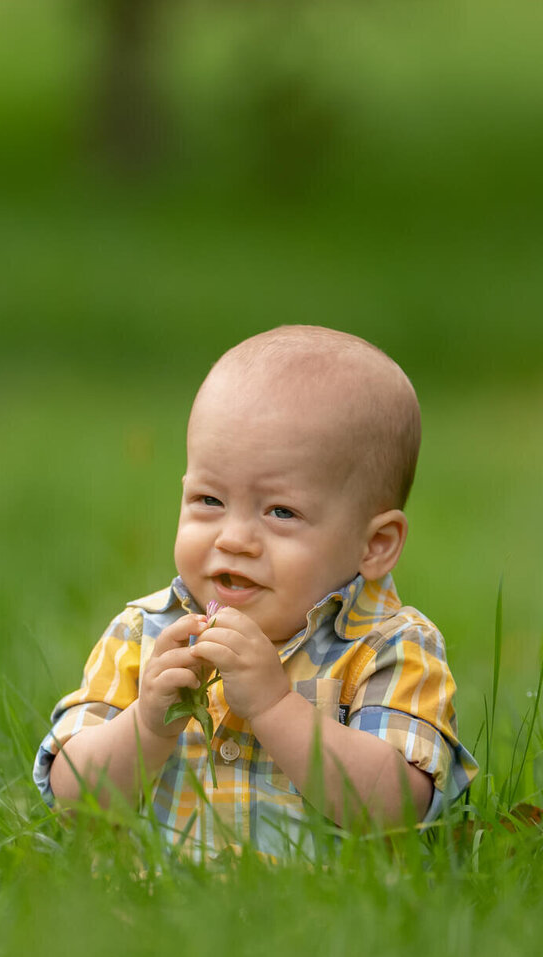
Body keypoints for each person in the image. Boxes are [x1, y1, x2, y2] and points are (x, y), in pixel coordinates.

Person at [32, 325, 476, 855]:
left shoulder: (389, 648)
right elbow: (70, 797)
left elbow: (399, 807)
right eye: (209, 501)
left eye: (281, 512)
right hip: (153, 923)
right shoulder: (146, 633)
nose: (234, 538)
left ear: (374, 544)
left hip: (325, 929)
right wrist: (148, 724)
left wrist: (275, 706)